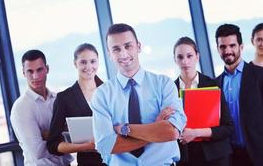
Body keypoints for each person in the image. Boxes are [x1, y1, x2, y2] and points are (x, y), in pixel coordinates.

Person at [91, 23, 187, 166]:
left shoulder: (164, 85)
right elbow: (106, 145)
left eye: (128, 46)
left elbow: (171, 132)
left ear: (139, 46)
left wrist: (124, 129)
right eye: (116, 49)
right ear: (109, 54)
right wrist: (155, 127)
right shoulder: (101, 95)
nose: (123, 54)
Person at [173, 37, 234, 166]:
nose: (185, 61)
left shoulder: (213, 85)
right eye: (180, 57)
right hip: (185, 158)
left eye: (189, 56)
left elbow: (228, 127)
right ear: (175, 59)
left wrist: (196, 133)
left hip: (215, 156)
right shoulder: (170, 90)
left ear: (197, 57)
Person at [10, 49, 73, 166]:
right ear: (23, 73)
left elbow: (76, 134)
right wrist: (62, 136)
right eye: (30, 71)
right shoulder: (21, 108)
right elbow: (37, 151)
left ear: (47, 69)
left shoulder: (58, 99)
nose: (35, 76)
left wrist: (48, 135)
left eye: (39, 70)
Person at [47, 43, 106, 166]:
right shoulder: (64, 98)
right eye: (83, 62)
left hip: (119, 161)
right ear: (75, 64)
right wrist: (83, 147)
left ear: (98, 62)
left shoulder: (109, 91)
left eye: (93, 61)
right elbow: (52, 144)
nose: (89, 67)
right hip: (88, 163)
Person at [215, 24, 263, 166]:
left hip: (258, 153)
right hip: (230, 156)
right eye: (223, 47)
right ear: (218, 49)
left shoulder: (259, 76)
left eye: (232, 45)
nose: (228, 51)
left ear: (241, 47)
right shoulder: (215, 84)